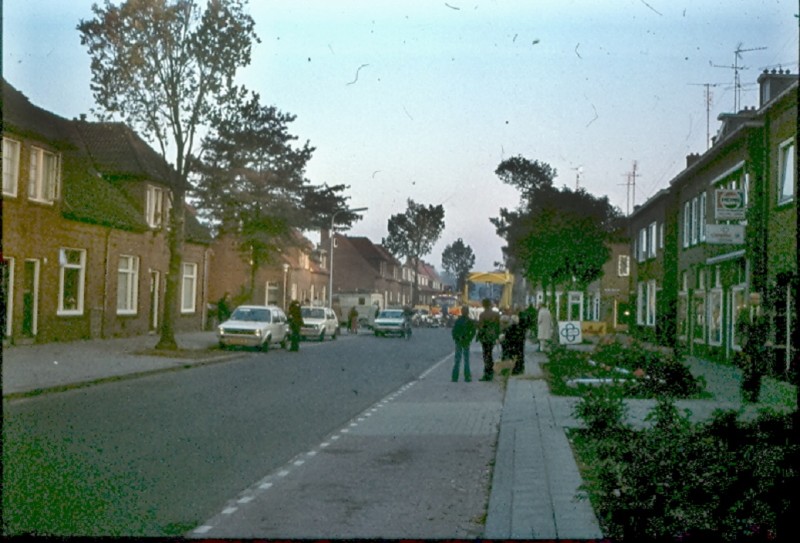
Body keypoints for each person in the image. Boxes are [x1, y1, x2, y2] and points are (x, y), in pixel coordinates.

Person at [476, 298, 501, 381]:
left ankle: (487, 374)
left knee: (486, 355)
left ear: (483, 305)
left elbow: (481, 327)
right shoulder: (496, 314)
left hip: (485, 337)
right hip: (493, 336)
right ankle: (491, 371)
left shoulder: (482, 315)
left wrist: (478, 336)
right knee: (490, 354)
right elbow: (498, 326)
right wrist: (497, 335)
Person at [451, 304, 476, 382]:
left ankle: (455, 377)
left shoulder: (458, 320)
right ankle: (467, 376)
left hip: (459, 340)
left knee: (457, 359)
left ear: (461, 312)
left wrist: (456, 338)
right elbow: (473, 332)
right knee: (466, 360)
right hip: (466, 341)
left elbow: (454, 331)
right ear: (468, 312)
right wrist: (470, 338)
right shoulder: (470, 321)